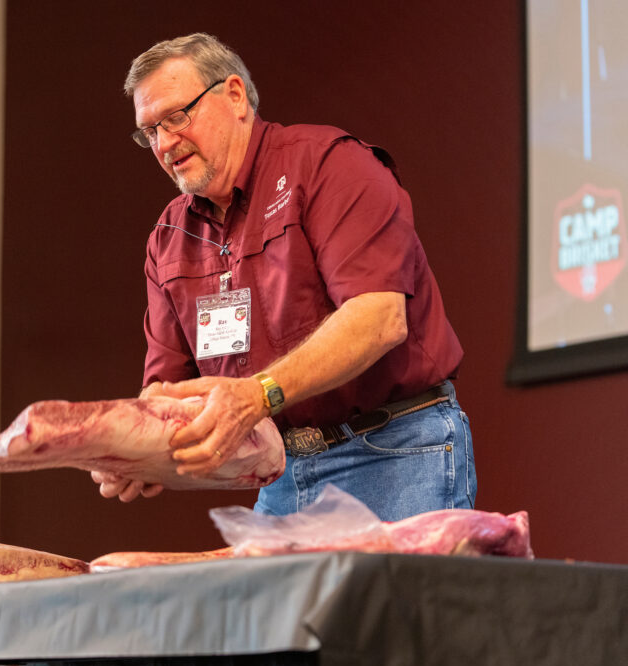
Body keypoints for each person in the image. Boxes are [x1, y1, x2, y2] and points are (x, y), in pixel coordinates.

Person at [92, 33, 475, 521]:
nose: (164, 144)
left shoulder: (328, 165)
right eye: (150, 132)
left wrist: (256, 396)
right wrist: (134, 451)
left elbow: (379, 318)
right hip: (282, 472)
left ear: (234, 95)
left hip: (397, 454)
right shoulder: (168, 237)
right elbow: (166, 391)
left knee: (399, 603)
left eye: (176, 117)